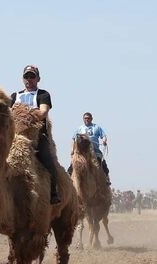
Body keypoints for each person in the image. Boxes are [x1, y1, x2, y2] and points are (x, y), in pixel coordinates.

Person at [10, 65, 60, 204]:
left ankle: (53, 192)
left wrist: (24, 115)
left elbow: (43, 112)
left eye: (32, 76)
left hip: (37, 136)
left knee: (49, 162)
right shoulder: (15, 96)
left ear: (38, 78)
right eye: (26, 76)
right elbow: (7, 114)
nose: (29, 79)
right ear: (22, 79)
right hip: (16, 137)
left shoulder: (43, 94)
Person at [69, 112, 111, 185]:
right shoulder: (80, 129)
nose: (87, 119)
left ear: (91, 119)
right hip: (82, 152)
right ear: (83, 119)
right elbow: (74, 139)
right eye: (85, 118)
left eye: (88, 118)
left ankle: (106, 177)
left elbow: (103, 135)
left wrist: (104, 141)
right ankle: (69, 176)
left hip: (95, 151)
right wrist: (72, 150)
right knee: (74, 162)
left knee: (101, 162)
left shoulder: (97, 127)